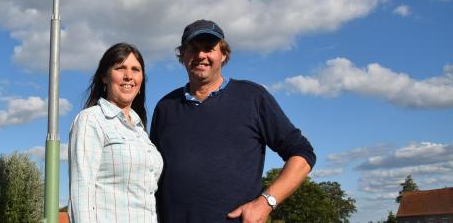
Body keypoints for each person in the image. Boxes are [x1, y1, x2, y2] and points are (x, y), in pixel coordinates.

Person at [150, 20, 316, 223]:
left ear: (223, 54)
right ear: (183, 56)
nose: (201, 55)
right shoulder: (165, 107)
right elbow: (152, 174)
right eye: (193, 49)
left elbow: (302, 153)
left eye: (209, 48)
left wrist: (266, 202)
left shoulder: (253, 97)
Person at [69, 42, 163, 223]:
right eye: (120, 68)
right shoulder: (92, 120)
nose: (129, 76)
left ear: (142, 79)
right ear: (104, 77)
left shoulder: (140, 131)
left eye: (136, 69)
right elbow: (82, 192)